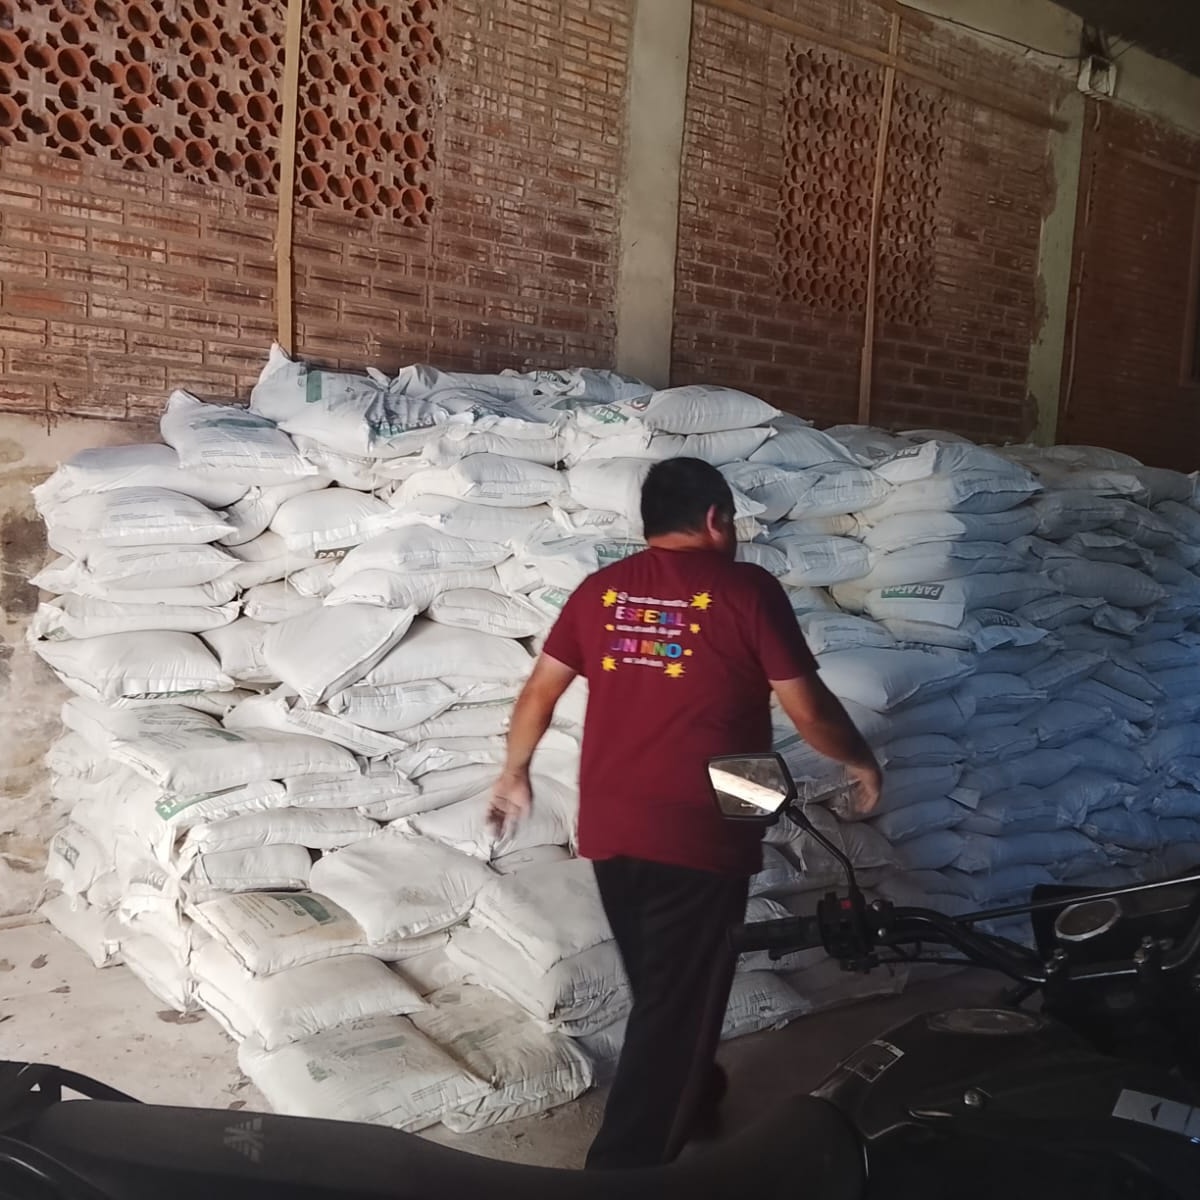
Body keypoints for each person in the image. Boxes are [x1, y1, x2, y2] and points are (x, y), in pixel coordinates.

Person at [489, 457, 881, 1170]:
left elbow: (540, 690)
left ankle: (696, 1095)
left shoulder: (602, 590)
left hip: (611, 820)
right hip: (703, 823)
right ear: (714, 519)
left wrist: (514, 773)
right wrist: (859, 758)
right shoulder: (748, 589)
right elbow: (808, 708)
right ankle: (622, 1171)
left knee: (665, 985)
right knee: (676, 1004)